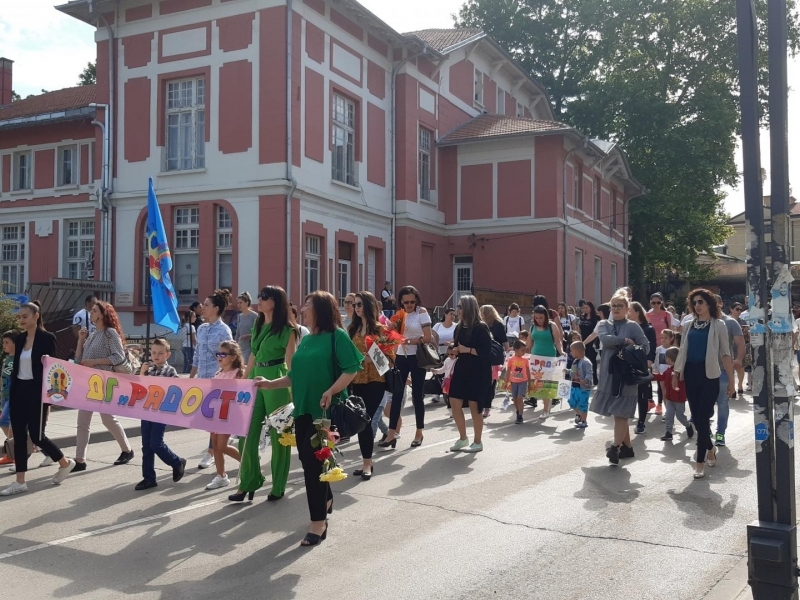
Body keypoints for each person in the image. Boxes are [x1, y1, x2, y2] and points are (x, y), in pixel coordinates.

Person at [254, 291, 363, 546]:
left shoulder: (337, 336)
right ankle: (326, 498)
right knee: (306, 461)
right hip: (302, 409)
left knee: (313, 467)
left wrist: (331, 390)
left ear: (321, 309)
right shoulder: (306, 339)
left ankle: (318, 523)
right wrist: (270, 384)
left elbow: (351, 369)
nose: (302, 308)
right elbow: (295, 375)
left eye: (307, 304)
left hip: (324, 413)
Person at [230, 286, 298, 502]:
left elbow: (291, 364)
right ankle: (248, 481)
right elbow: (254, 355)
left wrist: (291, 390)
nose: (260, 299)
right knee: (246, 432)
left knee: (280, 435)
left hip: (276, 377)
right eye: (259, 295)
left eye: (265, 297)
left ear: (276, 302)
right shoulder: (259, 324)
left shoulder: (288, 330)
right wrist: (244, 378)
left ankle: (278, 485)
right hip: (256, 377)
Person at [1, 303, 75, 495]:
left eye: (25, 316)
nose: (21, 320)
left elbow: (53, 368)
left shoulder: (47, 338)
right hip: (19, 391)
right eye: (19, 317)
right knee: (18, 435)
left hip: (37, 392)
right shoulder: (20, 338)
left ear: (36, 316)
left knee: (37, 436)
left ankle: (65, 463)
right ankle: (20, 481)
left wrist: (45, 361)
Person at [673, 288, 734, 479]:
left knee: (702, 418)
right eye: (695, 303)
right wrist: (676, 372)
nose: (697, 306)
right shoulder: (689, 325)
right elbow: (682, 350)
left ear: (709, 304)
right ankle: (709, 447)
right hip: (690, 373)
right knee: (697, 418)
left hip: (710, 375)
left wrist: (732, 380)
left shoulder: (719, 325)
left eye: (701, 302)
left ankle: (699, 463)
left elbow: (725, 353)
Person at [72, 301, 135, 471]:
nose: (90, 313)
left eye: (94, 311)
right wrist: (80, 340)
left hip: (105, 382)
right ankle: (80, 460)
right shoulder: (92, 335)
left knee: (107, 419)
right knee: (82, 422)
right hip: (88, 384)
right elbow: (78, 360)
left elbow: (118, 357)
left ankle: (127, 450)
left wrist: (94, 362)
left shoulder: (110, 333)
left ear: (102, 314)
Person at [589, 293, 649, 465]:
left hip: (627, 374)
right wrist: (624, 341)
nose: (615, 309)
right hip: (609, 374)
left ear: (627, 309)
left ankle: (615, 447)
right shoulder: (603, 324)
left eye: (619, 306)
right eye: (613, 306)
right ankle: (628, 448)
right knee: (617, 413)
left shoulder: (633, 326)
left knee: (620, 413)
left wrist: (632, 349)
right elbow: (605, 340)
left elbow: (645, 346)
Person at [348, 291, 395, 480]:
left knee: (366, 420)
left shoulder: (381, 329)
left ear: (368, 306)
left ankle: (367, 462)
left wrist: (371, 359)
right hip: (356, 380)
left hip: (376, 380)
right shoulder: (352, 329)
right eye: (355, 305)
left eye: (360, 304)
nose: (356, 308)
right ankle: (366, 461)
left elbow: (390, 360)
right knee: (360, 422)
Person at [381, 285, 432, 449]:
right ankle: (391, 433)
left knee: (417, 396)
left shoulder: (421, 313)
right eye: (406, 302)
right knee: (396, 394)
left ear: (416, 300)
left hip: (417, 358)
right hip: (401, 358)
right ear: (401, 302)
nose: (409, 304)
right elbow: (393, 336)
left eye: (412, 301)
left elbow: (428, 337)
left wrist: (408, 341)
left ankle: (419, 432)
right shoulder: (399, 315)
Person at [135, 338, 186, 490]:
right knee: (146, 446)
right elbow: (140, 388)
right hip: (147, 411)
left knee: (156, 443)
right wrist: (142, 373)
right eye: (154, 352)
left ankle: (176, 462)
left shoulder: (170, 371)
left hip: (161, 412)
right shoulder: (148, 370)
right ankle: (149, 478)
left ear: (167, 355)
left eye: (160, 353)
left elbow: (178, 388)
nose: (156, 356)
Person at [191, 290, 233, 470]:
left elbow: (231, 356)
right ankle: (220, 445)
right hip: (203, 379)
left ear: (216, 308)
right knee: (208, 418)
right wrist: (191, 376)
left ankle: (211, 453)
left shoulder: (224, 330)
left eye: (206, 305)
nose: (203, 307)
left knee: (214, 418)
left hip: (219, 380)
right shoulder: (201, 328)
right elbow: (197, 354)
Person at [448, 295, 492, 452]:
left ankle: (478, 442)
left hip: (478, 372)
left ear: (467, 308)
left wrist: (468, 350)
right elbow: (457, 347)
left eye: (460, 306)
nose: (457, 310)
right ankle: (462, 439)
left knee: (475, 406)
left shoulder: (481, 327)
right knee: (454, 401)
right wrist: (453, 351)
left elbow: (487, 353)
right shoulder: (459, 327)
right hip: (462, 369)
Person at [204, 341, 244, 490]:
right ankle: (221, 476)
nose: (219, 357)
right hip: (216, 414)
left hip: (229, 415)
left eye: (223, 354)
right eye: (218, 354)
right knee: (216, 446)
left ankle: (247, 463)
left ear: (233, 357)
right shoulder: (218, 373)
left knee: (221, 445)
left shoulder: (239, 374)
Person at [713, 294, 744, 448]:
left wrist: (738, 359)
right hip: (704, 370)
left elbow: (740, 343)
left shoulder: (730, 322)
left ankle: (720, 433)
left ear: (721, 304)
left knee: (722, 402)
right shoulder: (704, 321)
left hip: (723, 370)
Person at [652, 347, 693, 441]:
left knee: (680, 416)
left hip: (679, 399)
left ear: (670, 359)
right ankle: (668, 432)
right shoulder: (669, 369)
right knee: (669, 415)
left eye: (666, 358)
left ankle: (687, 425)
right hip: (669, 398)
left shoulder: (681, 372)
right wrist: (652, 375)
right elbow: (661, 376)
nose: (665, 359)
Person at [527, 305, 561, 419]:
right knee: (536, 383)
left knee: (546, 384)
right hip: (535, 359)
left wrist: (561, 352)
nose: (538, 320)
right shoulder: (532, 327)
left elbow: (558, 341)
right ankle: (538, 402)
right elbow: (528, 344)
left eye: (541, 318)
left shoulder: (552, 326)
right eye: (536, 318)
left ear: (546, 316)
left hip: (549, 359)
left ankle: (546, 409)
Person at [629, 301, 657, 434]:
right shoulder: (625, 327)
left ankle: (641, 422)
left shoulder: (648, 328)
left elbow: (651, 346)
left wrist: (650, 360)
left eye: (629, 310)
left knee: (642, 394)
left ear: (637, 312)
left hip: (642, 364)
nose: (627, 312)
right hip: (628, 364)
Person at [481, 304, 508, 418]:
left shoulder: (497, 324)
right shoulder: (481, 324)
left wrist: (507, 354)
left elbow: (504, 340)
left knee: (491, 383)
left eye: (482, 312)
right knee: (484, 382)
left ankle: (487, 406)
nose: (480, 314)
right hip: (483, 356)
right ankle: (483, 404)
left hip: (494, 357)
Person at [504, 339, 531, 425]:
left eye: (525, 350)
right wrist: (506, 381)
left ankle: (520, 415)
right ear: (516, 350)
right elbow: (508, 371)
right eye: (522, 350)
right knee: (515, 399)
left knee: (520, 398)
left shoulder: (525, 360)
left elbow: (528, 371)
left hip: (523, 381)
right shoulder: (511, 359)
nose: (524, 352)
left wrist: (529, 382)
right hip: (513, 381)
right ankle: (517, 410)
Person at [568, 341, 593, 429]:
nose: (570, 353)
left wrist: (585, 380)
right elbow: (573, 372)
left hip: (583, 388)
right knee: (571, 401)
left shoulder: (586, 362)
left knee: (583, 404)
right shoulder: (575, 361)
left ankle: (583, 421)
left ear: (578, 351)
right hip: (574, 385)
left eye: (572, 351)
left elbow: (590, 373)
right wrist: (567, 371)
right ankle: (579, 414)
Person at [0, 330, 15, 464]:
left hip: (13, 396)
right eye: (3, 342)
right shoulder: (7, 359)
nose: (4, 345)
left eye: (7, 342)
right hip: (4, 396)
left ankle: (12, 453)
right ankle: (18, 447)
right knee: (6, 423)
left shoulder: (18, 359)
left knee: (4, 421)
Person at [578, 301, 601, 385]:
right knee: (583, 359)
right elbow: (579, 329)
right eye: (584, 308)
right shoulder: (582, 317)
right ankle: (585, 378)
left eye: (587, 307)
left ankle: (594, 378)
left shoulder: (596, 318)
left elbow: (596, 332)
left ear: (591, 308)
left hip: (593, 341)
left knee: (591, 360)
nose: (585, 309)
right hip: (583, 340)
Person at [235, 292, 258, 364]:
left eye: (241, 303)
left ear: (247, 302)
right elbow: (238, 332)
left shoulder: (254, 316)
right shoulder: (240, 316)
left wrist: (249, 335)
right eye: (238, 303)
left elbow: (258, 331)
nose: (239, 305)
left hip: (250, 346)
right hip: (241, 345)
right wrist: (235, 344)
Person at [731, 302, 748, 393]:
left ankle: (740, 385)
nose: (739, 311)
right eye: (737, 309)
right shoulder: (727, 321)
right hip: (729, 347)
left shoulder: (742, 321)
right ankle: (731, 387)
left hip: (739, 347)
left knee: (740, 368)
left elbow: (744, 337)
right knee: (729, 369)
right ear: (731, 310)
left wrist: (745, 332)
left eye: (741, 310)